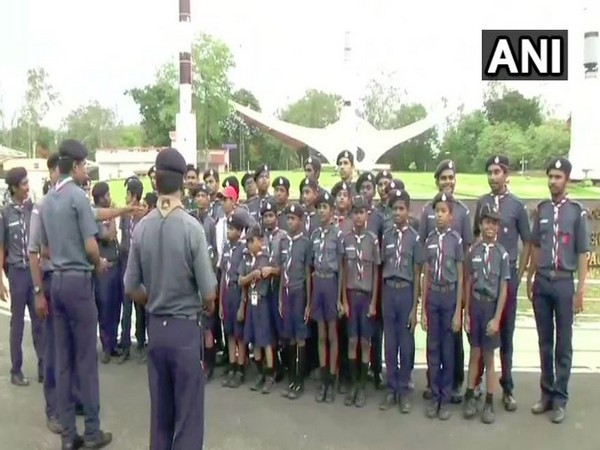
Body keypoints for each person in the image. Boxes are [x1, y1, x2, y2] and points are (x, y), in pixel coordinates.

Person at [124, 147, 217, 449]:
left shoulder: (142, 227)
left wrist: (153, 298)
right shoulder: (192, 228)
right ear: (183, 183)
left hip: (156, 328)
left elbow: (130, 285)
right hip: (185, 330)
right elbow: (209, 291)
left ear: (155, 182)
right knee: (188, 418)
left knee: (161, 416)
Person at [40, 139, 112, 449]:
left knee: (64, 359)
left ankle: (69, 436)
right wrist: (99, 263)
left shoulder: (47, 201)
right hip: (78, 282)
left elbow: (44, 248)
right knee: (86, 359)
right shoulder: (78, 199)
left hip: (56, 280)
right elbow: (91, 245)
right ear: (78, 165)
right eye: (86, 165)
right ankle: (93, 431)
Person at [527, 157, 589, 424]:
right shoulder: (541, 210)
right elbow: (536, 247)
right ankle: (546, 394)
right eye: (550, 176)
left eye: (558, 177)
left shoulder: (577, 211)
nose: (553, 181)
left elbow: (583, 252)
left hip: (564, 282)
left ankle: (561, 398)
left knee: (564, 343)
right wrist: (530, 277)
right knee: (544, 341)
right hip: (542, 281)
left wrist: (581, 291)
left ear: (567, 179)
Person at [472, 155, 531, 410]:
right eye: (490, 172)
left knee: (505, 335)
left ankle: (507, 388)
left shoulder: (517, 205)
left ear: (506, 175)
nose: (493, 176)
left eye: (497, 172)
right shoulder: (482, 203)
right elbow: (476, 237)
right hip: (484, 281)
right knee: (481, 337)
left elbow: (527, 241)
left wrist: (519, 276)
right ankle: (478, 386)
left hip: (505, 280)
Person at [419, 160, 473, 403]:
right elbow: (425, 255)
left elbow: (467, 253)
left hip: (453, 287)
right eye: (444, 178)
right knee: (434, 341)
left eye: (451, 177)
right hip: (434, 287)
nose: (448, 182)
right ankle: (435, 385)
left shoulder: (462, 211)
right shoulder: (427, 212)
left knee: (453, 341)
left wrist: (464, 297)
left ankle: (453, 385)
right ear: (437, 180)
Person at [463, 204, 510, 424]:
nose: (490, 226)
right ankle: (470, 395)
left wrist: (497, 317)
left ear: (498, 227)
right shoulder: (473, 251)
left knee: (490, 358)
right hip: (476, 306)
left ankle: (490, 402)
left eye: (494, 223)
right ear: (480, 225)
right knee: (474, 353)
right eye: (486, 222)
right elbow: (468, 282)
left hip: (491, 307)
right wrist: (466, 313)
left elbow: (503, 288)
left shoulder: (502, 254)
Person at [421, 191, 464, 421]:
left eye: (443, 211)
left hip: (449, 297)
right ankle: (435, 394)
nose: (439, 215)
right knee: (433, 348)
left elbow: (460, 276)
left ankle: (445, 398)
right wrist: (423, 311)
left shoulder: (456, 240)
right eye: (436, 211)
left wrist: (458, 311)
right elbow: (426, 275)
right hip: (434, 295)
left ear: (451, 215)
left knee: (448, 350)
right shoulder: (429, 241)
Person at [378, 189, 422, 414]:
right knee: (390, 342)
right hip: (388, 290)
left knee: (405, 344)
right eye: (394, 208)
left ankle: (404, 389)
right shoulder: (386, 236)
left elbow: (416, 274)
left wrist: (415, 307)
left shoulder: (415, 238)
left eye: (401, 208)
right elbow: (382, 266)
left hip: (405, 292)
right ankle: (392, 388)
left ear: (408, 210)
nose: (397, 212)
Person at [0, 167, 44, 387]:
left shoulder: (33, 210)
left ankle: (44, 367)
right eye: (24, 184)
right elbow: (1, 248)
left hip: (33, 272)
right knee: (17, 323)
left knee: (39, 320)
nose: (28, 187)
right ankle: (15, 370)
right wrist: (0, 281)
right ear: (15, 187)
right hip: (16, 273)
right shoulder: (4, 214)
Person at [341, 195, 381, 408]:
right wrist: (343, 301)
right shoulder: (345, 239)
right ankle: (354, 384)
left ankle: (363, 386)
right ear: (351, 215)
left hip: (366, 297)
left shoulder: (372, 239)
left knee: (365, 342)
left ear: (367, 214)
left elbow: (375, 271)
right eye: (355, 212)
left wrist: (374, 301)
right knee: (352, 341)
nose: (358, 216)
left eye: (362, 212)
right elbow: (343, 271)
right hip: (350, 296)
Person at [310, 192, 344, 403]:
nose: (321, 210)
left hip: (331, 283)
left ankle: (332, 378)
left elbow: (341, 268)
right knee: (321, 333)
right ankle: (323, 378)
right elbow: (311, 265)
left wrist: (340, 298)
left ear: (332, 210)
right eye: (319, 207)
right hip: (318, 283)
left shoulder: (337, 235)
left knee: (332, 334)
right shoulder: (314, 235)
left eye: (325, 207)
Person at [278, 203, 312, 400]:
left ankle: (299, 381)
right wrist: (281, 298)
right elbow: (283, 270)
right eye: (288, 218)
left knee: (300, 337)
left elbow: (307, 273)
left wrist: (308, 302)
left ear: (301, 221)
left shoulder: (305, 243)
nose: (290, 222)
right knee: (289, 337)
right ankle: (291, 378)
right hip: (287, 292)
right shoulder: (284, 242)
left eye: (294, 218)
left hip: (300, 293)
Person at [239, 225, 277, 394]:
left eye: (252, 241)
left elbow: (275, 273)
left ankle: (270, 374)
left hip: (262, 301)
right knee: (254, 338)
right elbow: (241, 281)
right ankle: (260, 373)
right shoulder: (247, 258)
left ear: (260, 241)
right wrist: (251, 276)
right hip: (251, 302)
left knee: (266, 339)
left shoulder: (267, 258)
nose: (249, 245)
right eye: (247, 241)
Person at [91, 182, 122, 365]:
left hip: (116, 265)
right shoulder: (96, 216)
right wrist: (112, 217)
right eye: (107, 194)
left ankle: (113, 343)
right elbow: (109, 236)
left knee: (115, 306)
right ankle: (106, 346)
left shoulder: (105, 215)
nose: (109, 197)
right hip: (104, 268)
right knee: (104, 307)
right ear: (101, 197)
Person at [191, 182, 219, 379]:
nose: (200, 198)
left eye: (203, 195)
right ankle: (198, 361)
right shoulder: (192, 220)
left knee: (208, 324)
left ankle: (209, 363)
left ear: (209, 199)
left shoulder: (211, 223)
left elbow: (214, 252)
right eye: (197, 195)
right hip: (193, 277)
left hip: (207, 274)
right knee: (196, 323)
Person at [118, 176, 146, 364]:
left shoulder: (144, 215)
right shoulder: (124, 214)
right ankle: (125, 345)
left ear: (134, 195)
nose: (126, 196)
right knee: (126, 307)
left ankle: (142, 343)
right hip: (125, 262)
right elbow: (123, 240)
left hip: (141, 265)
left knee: (141, 306)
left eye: (128, 193)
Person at [219, 214, 247, 388]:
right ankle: (232, 364)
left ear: (239, 231)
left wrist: (243, 305)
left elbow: (243, 279)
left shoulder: (243, 250)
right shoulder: (226, 248)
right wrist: (221, 302)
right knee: (229, 333)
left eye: (231, 229)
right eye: (228, 228)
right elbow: (223, 274)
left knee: (239, 335)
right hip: (227, 293)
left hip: (238, 293)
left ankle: (241, 367)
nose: (228, 232)